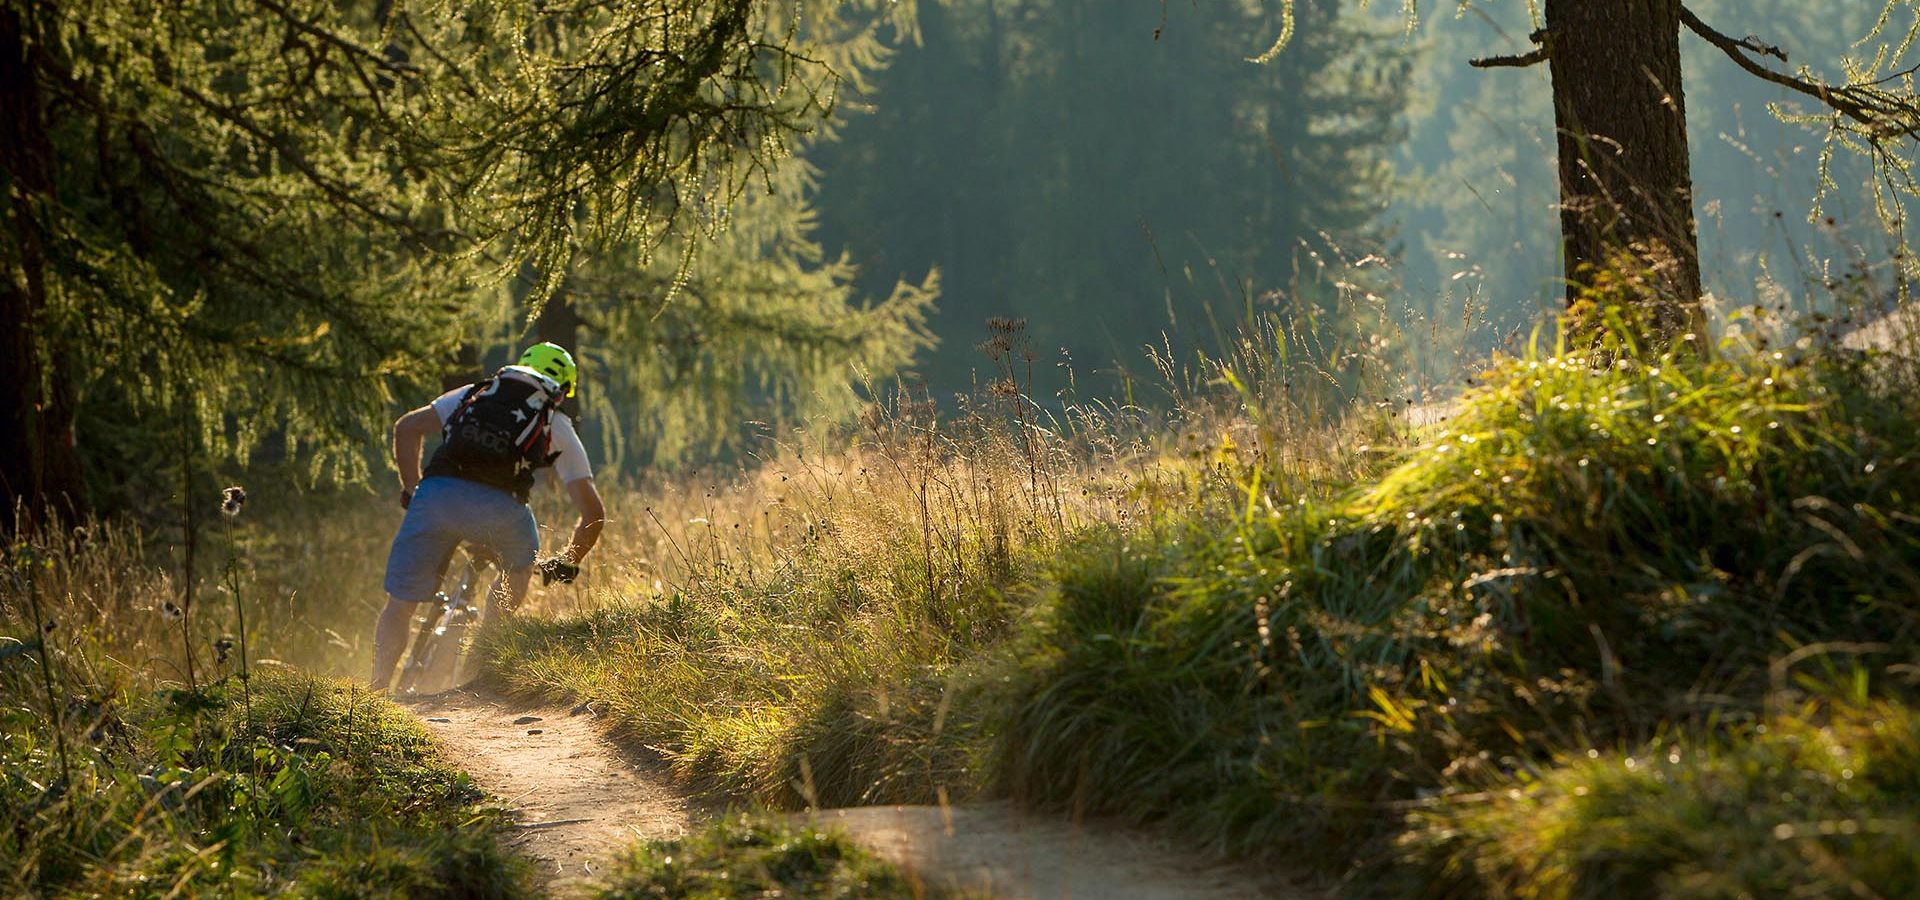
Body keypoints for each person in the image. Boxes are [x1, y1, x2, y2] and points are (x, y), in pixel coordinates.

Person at [369, 342, 606, 692]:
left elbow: (407, 428)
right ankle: (480, 667)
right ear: (562, 389)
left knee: (400, 604)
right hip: (502, 512)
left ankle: (377, 687)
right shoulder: (555, 423)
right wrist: (568, 561)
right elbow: (593, 515)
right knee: (518, 567)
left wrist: (413, 492)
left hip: (436, 497)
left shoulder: (476, 393)